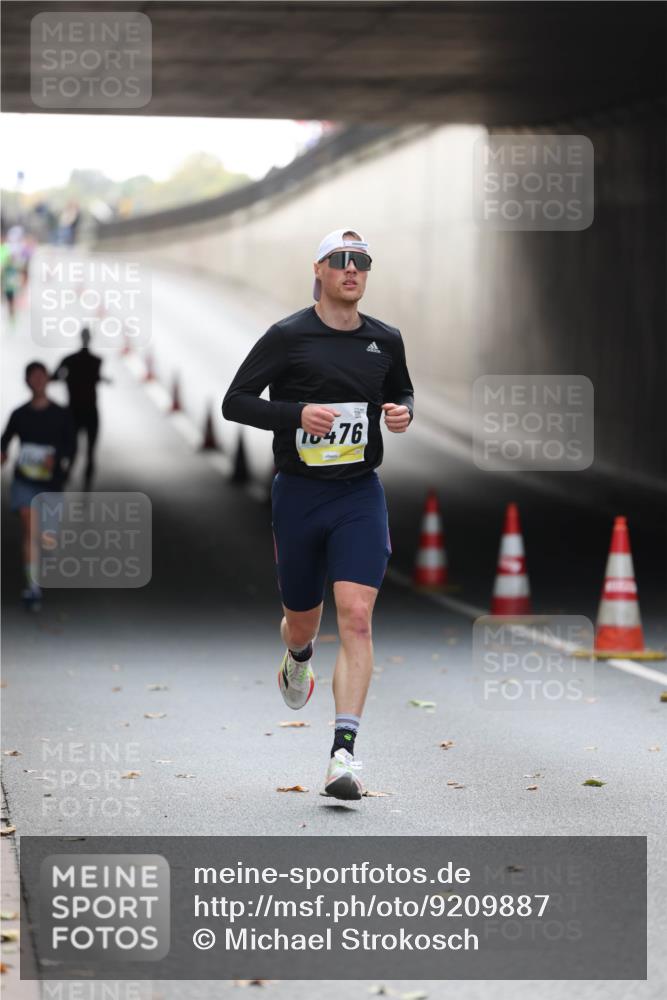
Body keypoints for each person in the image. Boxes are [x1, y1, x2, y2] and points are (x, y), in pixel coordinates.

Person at [222, 229, 414, 800]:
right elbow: (235, 402)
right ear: (320, 270)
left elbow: (402, 392)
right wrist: (295, 414)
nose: (352, 269)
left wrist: (402, 413)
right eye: (341, 259)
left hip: (358, 493)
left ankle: (342, 756)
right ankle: (298, 655)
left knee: (356, 617)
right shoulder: (288, 336)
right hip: (300, 495)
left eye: (362, 261)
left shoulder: (385, 339)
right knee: (303, 620)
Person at [1, 361, 76, 609]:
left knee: (46, 536)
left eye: (41, 376)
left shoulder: (61, 414)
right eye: (33, 376)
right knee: (29, 529)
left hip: (51, 483)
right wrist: (3, 455)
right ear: (27, 381)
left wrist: (59, 460)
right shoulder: (19, 414)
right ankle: (32, 586)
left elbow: (72, 445)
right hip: (25, 480)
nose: (38, 380)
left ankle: (45, 554)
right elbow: (5, 441)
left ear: (48, 379)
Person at [52, 327, 109, 487]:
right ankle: (86, 481)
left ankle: (67, 476)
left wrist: (65, 378)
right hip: (90, 410)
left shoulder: (69, 360)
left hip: (74, 410)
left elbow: (54, 376)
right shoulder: (96, 361)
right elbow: (96, 377)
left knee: (73, 448)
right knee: (90, 450)